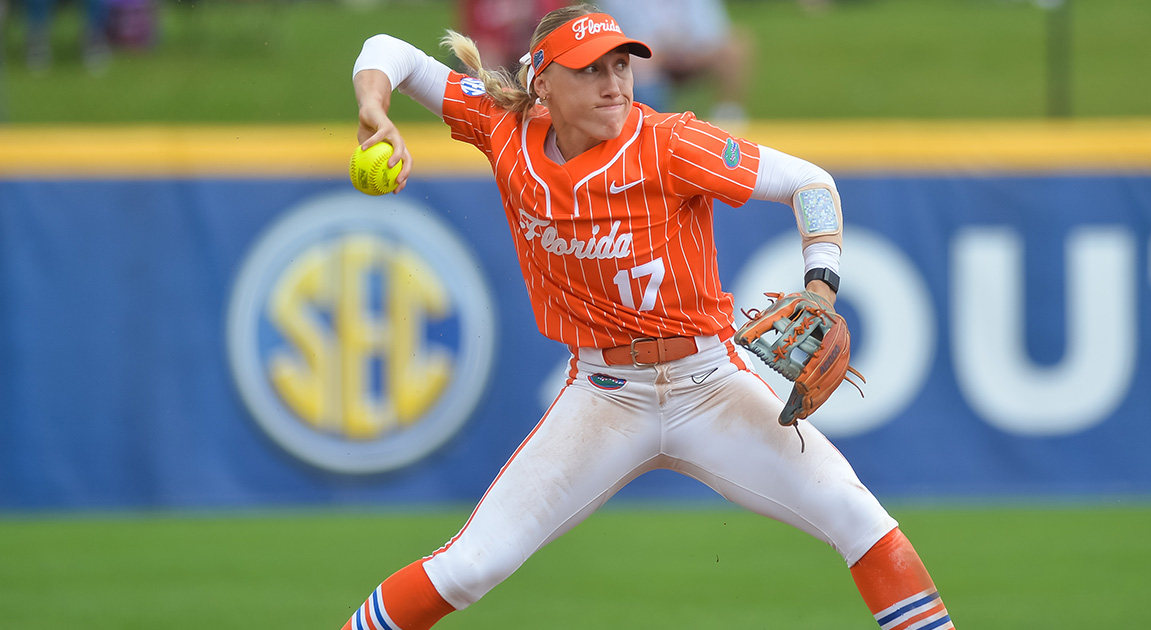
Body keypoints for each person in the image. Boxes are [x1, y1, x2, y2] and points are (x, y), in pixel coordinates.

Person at [344, 5, 955, 630]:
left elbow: (811, 183)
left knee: (861, 521)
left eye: (621, 65)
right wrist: (375, 112)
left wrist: (821, 287)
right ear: (544, 84)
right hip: (605, 396)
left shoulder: (670, 141)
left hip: (711, 385)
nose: (614, 83)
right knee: (470, 566)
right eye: (590, 71)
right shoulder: (504, 126)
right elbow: (387, 47)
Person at [599, 0, 751, 123]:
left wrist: (687, 52)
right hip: (648, 55)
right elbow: (626, 36)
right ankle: (653, 119)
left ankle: (727, 116)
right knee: (639, 59)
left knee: (734, 46)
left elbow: (710, 31)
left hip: (690, 52)